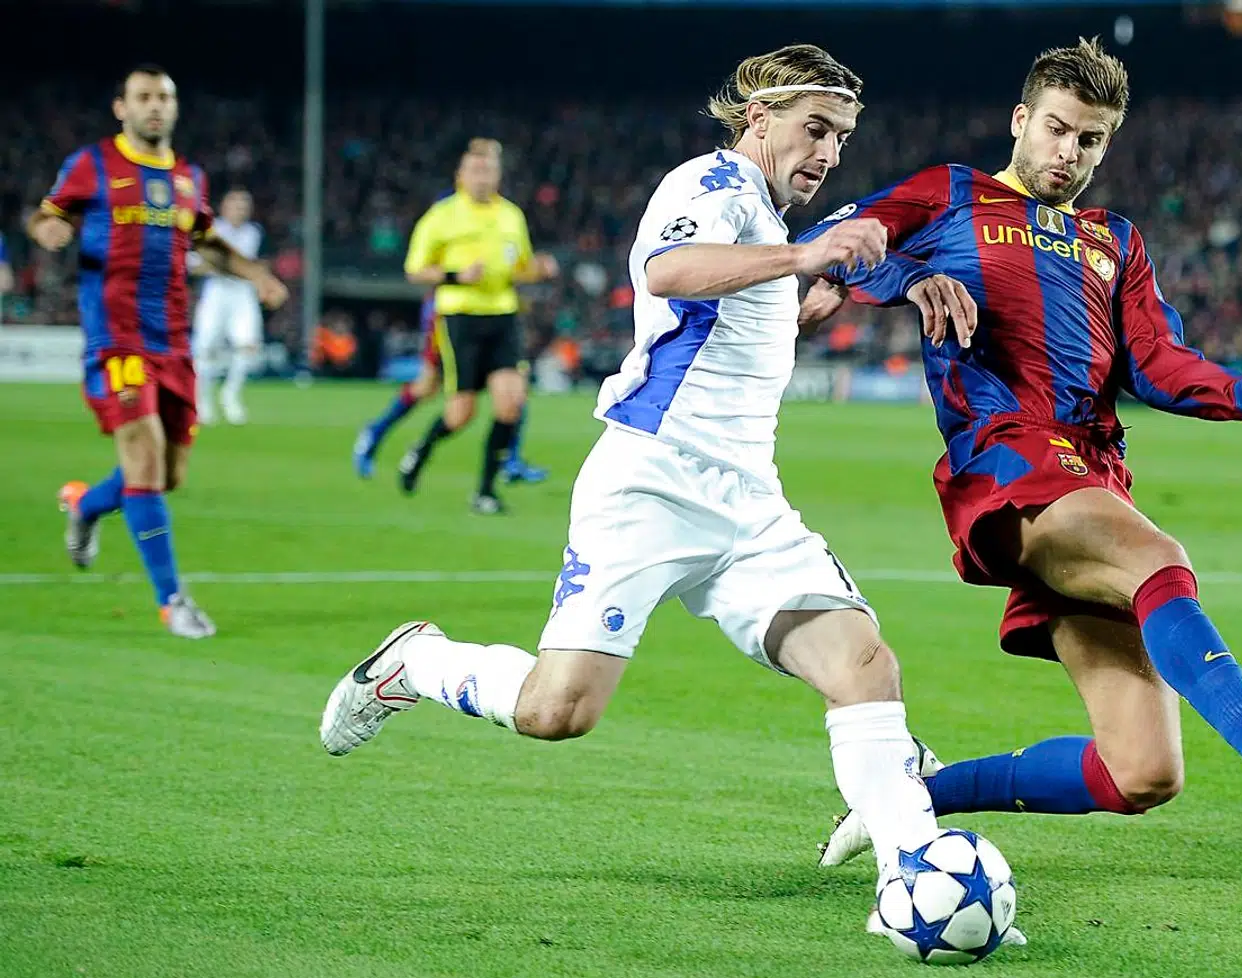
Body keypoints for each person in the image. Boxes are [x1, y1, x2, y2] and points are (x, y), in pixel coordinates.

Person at [320, 44, 955, 902]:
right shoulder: (710, 186)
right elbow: (669, 272)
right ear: (758, 117)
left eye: (841, 137)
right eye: (816, 130)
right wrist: (805, 261)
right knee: (557, 710)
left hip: (747, 502)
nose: (829, 152)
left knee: (864, 666)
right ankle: (417, 663)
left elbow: (729, 333)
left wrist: (822, 291)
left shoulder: (768, 219)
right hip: (650, 485)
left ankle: (912, 872)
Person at [802, 38, 1242, 870]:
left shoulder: (1114, 238)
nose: (1068, 152)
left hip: (1091, 476)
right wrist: (905, 278)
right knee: (1159, 554)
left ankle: (913, 791)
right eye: (1056, 129)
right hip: (1007, 461)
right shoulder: (950, 194)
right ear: (1021, 120)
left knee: (1142, 769)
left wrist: (1241, 392)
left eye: (1090, 139)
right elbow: (837, 237)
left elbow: (1156, 361)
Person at [36, 65, 287, 638]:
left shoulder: (186, 177)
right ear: (121, 107)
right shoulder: (94, 164)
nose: (155, 106)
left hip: (173, 341)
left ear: (174, 109)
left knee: (166, 475)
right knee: (144, 460)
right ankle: (172, 601)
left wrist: (254, 273)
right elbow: (48, 213)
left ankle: (87, 505)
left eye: (164, 98)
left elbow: (205, 241)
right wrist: (49, 229)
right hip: (116, 339)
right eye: (144, 97)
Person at [393, 140, 559, 513]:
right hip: (460, 317)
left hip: (503, 314)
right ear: (460, 176)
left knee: (511, 404)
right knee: (461, 413)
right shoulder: (442, 216)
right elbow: (414, 270)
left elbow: (522, 267)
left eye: (489, 171)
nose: (482, 177)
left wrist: (540, 270)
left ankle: (485, 491)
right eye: (475, 170)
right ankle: (422, 449)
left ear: (498, 176)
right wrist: (456, 275)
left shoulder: (511, 215)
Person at [351, 291, 549, 483]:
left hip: (494, 315)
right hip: (453, 314)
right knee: (428, 385)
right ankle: (376, 431)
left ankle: (510, 460)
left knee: (514, 385)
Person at [190, 187, 265, 425]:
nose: (240, 210)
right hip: (217, 291)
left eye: (244, 206)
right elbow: (195, 263)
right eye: (236, 205)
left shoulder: (254, 233)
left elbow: (251, 264)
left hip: (242, 292)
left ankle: (231, 394)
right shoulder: (213, 230)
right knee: (206, 347)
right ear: (224, 207)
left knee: (248, 346)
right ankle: (203, 401)